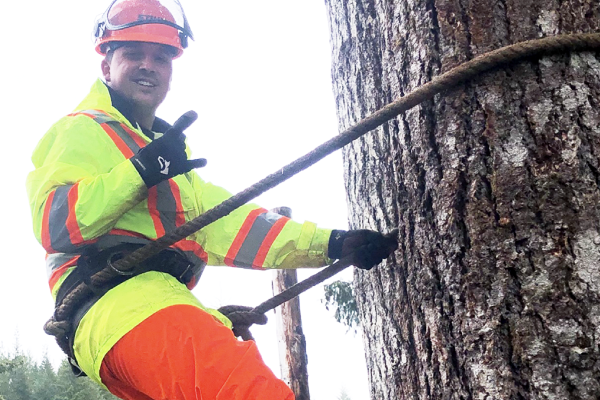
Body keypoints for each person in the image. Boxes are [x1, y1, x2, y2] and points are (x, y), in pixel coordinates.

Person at [26, 0, 397, 399]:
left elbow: (235, 227)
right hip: (124, 308)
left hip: (135, 320)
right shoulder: (82, 130)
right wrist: (139, 172)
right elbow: (53, 222)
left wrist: (333, 244)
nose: (148, 65)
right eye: (134, 53)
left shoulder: (173, 166)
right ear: (106, 66)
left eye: (162, 57)